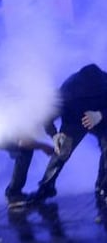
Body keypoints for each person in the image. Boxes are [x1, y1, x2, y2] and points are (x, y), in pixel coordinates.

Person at [28, 64, 107, 204]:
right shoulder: (67, 91)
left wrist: (100, 114)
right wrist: (54, 135)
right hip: (74, 121)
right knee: (62, 149)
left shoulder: (105, 83)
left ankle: (103, 187)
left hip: (100, 119)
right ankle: (46, 187)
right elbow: (47, 116)